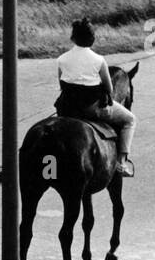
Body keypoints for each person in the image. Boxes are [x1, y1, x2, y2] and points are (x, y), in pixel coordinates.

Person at [55, 19, 135, 177]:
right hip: (91, 108)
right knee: (129, 120)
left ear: (73, 38)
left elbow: (62, 85)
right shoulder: (99, 60)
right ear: (92, 39)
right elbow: (109, 88)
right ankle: (122, 163)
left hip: (67, 108)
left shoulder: (62, 59)